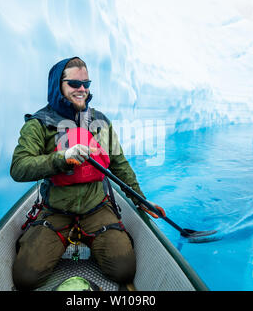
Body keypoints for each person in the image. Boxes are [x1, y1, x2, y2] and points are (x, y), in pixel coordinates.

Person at [10, 57, 165, 291]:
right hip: (56, 210)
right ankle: (65, 235)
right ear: (57, 85)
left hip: (96, 207)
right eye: (74, 83)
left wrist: (140, 199)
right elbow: (19, 168)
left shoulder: (101, 122)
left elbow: (119, 164)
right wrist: (62, 158)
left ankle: (89, 234)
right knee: (26, 277)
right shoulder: (39, 124)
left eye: (86, 83)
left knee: (123, 269)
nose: (82, 89)